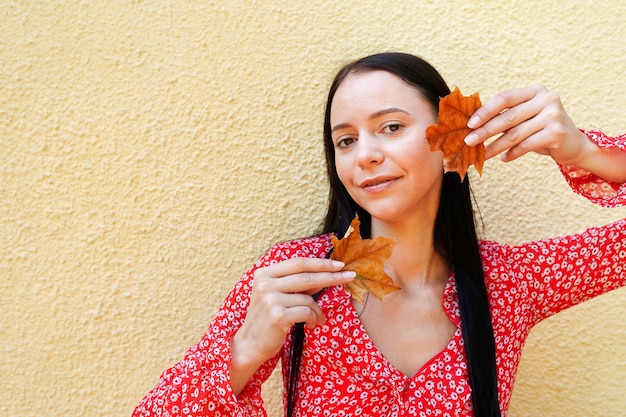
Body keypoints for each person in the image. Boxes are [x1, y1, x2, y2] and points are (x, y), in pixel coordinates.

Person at [132, 52, 626, 417]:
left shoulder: (510, 283)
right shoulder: (294, 279)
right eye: (345, 140)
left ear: (452, 139)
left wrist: (590, 155)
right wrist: (243, 353)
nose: (363, 153)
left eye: (390, 127)